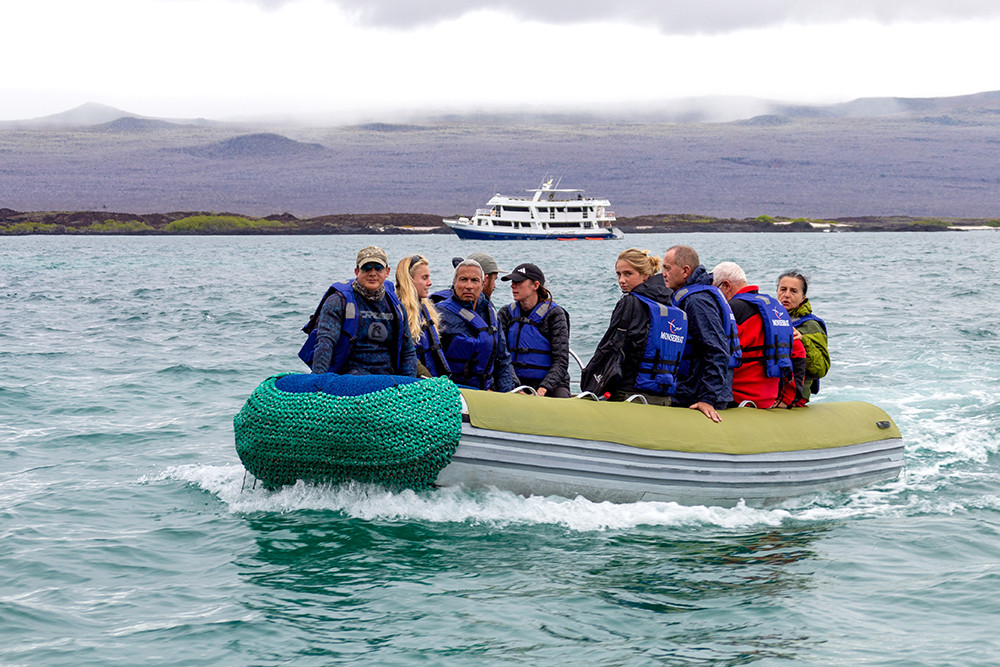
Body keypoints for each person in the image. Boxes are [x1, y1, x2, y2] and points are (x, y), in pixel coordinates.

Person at [581, 248, 687, 406]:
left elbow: (611, 347)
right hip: (663, 398)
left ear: (645, 276)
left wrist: (590, 383)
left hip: (629, 393)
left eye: (628, 274)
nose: (621, 280)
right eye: (619, 274)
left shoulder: (629, 302)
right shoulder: (670, 306)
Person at [299, 246, 417, 376]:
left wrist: (409, 384)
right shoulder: (338, 302)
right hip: (348, 377)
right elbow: (325, 342)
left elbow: (408, 352)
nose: (372, 273)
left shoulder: (397, 307)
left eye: (378, 268)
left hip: (387, 378)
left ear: (387, 271)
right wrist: (318, 380)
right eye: (366, 268)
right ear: (356, 271)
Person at [661, 245, 740, 422]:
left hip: (697, 394)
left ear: (685, 271)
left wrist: (707, 399)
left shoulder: (697, 301)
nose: (663, 274)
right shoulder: (693, 295)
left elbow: (717, 350)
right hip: (690, 389)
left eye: (667, 268)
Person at [712, 261, 805, 408]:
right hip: (768, 400)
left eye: (715, 290)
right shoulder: (776, 309)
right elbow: (798, 351)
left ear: (726, 286)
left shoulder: (731, 310)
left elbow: (716, 355)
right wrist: (787, 399)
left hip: (736, 400)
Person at [436, 259, 516, 391]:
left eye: (474, 280)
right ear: (454, 283)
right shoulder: (439, 313)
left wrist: (506, 394)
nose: (469, 286)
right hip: (451, 392)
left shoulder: (491, 314)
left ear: (483, 283)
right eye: (463, 280)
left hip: (483, 391)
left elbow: (503, 359)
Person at [497, 263, 571, 397]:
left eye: (518, 282)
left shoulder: (554, 314)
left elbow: (561, 361)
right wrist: (516, 387)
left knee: (561, 398)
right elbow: (501, 356)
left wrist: (542, 389)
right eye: (513, 282)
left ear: (535, 285)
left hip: (550, 384)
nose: (512, 285)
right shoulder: (505, 313)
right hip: (515, 383)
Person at [777, 270, 829, 401]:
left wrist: (803, 341)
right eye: (783, 289)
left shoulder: (811, 325)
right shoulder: (772, 319)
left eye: (794, 291)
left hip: (796, 394)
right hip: (771, 390)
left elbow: (821, 369)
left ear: (803, 297)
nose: (787, 295)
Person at [395, 254, 450, 378]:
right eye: (424, 278)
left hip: (434, 379)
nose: (429, 283)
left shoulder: (426, 308)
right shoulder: (398, 312)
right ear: (409, 280)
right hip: (419, 383)